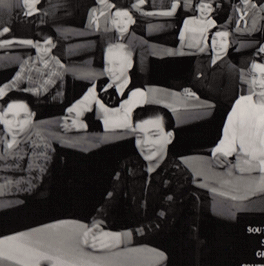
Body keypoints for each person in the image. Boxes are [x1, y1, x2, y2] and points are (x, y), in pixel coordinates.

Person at [81, 105, 193, 256]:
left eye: (154, 135)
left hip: (162, 254)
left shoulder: (181, 176)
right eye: (139, 136)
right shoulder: (128, 166)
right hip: (127, 248)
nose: (145, 143)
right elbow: (109, 203)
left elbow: (161, 225)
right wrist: (97, 225)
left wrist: (121, 238)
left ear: (170, 137)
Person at [211, 52, 264, 175]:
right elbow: (228, 140)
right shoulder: (241, 104)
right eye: (254, 75)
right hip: (238, 171)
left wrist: (257, 167)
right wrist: (220, 153)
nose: (257, 82)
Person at [64, 43, 147, 133]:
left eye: (116, 64)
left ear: (129, 65)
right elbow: (84, 103)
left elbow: (126, 120)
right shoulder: (100, 84)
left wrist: (86, 125)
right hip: (100, 137)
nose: (110, 70)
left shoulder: (137, 91)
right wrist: (73, 114)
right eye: (107, 64)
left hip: (124, 141)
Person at [0, 25, 66, 117]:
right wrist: (1, 89)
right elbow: (16, 81)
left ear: (54, 45)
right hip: (32, 104)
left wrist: (10, 93)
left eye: (47, 46)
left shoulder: (58, 66)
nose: (43, 50)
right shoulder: (29, 61)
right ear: (33, 44)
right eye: (39, 45)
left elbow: (39, 91)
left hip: (51, 110)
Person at [182, 25, 240, 142]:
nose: (218, 43)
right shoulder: (199, 61)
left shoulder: (231, 70)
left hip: (212, 124)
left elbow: (226, 108)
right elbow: (188, 84)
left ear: (230, 44)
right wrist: (186, 90)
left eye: (223, 40)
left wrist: (200, 99)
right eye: (215, 38)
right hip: (192, 114)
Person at [94, 6, 150, 83]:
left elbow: (142, 74)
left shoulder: (141, 42)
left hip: (128, 84)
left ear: (132, 21)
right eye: (116, 19)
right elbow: (97, 65)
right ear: (111, 21)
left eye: (125, 19)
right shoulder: (104, 38)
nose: (121, 23)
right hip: (106, 81)